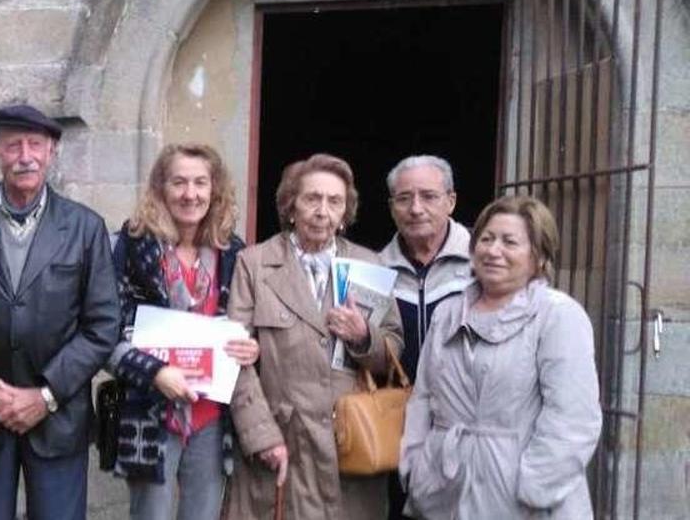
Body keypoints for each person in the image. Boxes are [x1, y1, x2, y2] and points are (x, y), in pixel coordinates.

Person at [0, 104, 121, 520]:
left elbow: (103, 326)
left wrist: (46, 395)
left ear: (51, 152)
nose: (25, 155)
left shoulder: (85, 228)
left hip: (59, 420)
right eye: (12, 145)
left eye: (35, 144)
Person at [223, 153, 404, 520]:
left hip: (349, 444)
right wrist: (261, 436)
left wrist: (363, 337)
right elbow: (234, 356)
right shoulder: (255, 264)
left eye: (334, 201)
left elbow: (394, 350)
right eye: (312, 199)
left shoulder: (369, 265)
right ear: (292, 206)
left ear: (345, 213)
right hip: (282, 443)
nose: (323, 211)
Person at [400, 195, 601, 519]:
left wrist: (532, 488)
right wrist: (416, 467)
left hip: (524, 503)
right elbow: (423, 398)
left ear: (538, 256)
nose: (494, 251)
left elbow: (573, 420)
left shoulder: (557, 316)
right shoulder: (448, 313)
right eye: (487, 239)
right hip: (444, 492)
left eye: (510, 242)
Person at [107, 143, 259, 520]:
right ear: (161, 188)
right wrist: (155, 373)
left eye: (200, 183)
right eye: (179, 182)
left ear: (215, 190)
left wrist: (251, 349)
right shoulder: (131, 244)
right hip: (150, 410)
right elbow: (105, 331)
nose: (190, 194)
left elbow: (246, 324)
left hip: (211, 414)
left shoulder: (233, 252)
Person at [379, 155, 472, 519]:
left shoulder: (481, 262)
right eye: (404, 198)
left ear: (450, 201)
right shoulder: (373, 269)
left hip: (462, 427)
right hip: (392, 423)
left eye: (428, 196)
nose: (416, 208)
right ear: (391, 207)